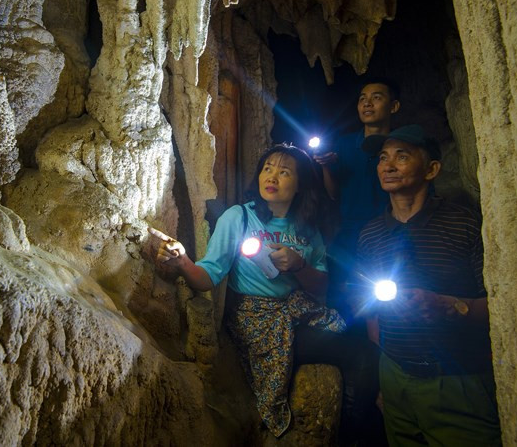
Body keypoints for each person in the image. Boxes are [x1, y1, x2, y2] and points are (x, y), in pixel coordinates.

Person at [150, 144, 381, 443]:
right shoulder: (240, 218)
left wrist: (298, 265)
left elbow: (321, 286)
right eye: (267, 168)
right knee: (360, 354)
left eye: (284, 172)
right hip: (256, 319)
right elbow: (209, 275)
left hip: (299, 313)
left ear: (299, 185)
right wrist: (182, 262)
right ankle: (356, 436)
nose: (272, 176)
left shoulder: (308, 229)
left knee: (358, 342)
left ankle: (353, 425)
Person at [356, 125, 501, 446]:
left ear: (432, 169)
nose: (388, 166)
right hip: (395, 376)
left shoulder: (463, 224)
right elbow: (371, 311)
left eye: (402, 157)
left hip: (456, 381)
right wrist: (384, 377)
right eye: (382, 158)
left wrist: (451, 307)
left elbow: (503, 305)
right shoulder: (370, 234)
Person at [314, 79, 401, 331]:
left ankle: (384, 346)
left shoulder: (401, 146)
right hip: (349, 230)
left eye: (376, 97)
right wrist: (327, 168)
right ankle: (351, 348)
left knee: (387, 294)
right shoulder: (345, 144)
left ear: (394, 106)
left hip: (389, 231)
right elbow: (333, 194)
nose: (367, 103)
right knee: (345, 294)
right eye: (362, 98)